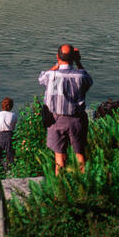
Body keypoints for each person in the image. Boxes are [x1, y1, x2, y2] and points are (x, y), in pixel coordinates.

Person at [38, 45, 93, 174]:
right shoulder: (81, 76)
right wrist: (78, 62)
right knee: (80, 155)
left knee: (59, 157)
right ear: (73, 58)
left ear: (57, 57)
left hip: (55, 120)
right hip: (76, 120)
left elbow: (41, 79)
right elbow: (89, 81)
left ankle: (60, 189)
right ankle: (84, 186)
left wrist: (57, 64)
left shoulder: (51, 75)